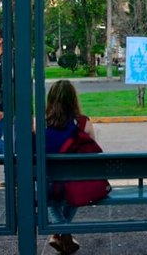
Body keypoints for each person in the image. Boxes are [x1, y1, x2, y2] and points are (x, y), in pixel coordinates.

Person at [45, 80, 96, 255]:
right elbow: (93, 154)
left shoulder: (40, 123)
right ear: (73, 99)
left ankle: (59, 234)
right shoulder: (84, 123)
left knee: (48, 189)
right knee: (77, 184)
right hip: (74, 182)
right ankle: (63, 234)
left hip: (48, 183)